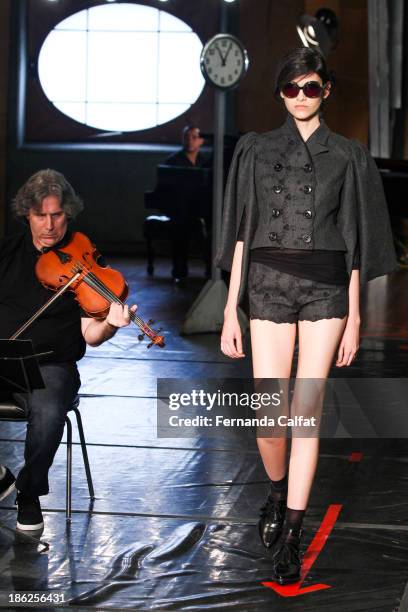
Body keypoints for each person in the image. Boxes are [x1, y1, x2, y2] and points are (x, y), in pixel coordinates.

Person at [215, 47, 398, 584]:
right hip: (267, 284)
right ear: (280, 92)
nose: (301, 96)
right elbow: (243, 231)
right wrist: (232, 308)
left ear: (326, 91)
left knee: (307, 414)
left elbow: (357, 239)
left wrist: (358, 316)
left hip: (326, 290)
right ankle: (276, 492)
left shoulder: (348, 155)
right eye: (292, 88)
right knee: (272, 420)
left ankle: (293, 532)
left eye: (311, 87)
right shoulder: (254, 149)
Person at [0, 169, 137, 531]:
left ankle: (28, 494)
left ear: (68, 214)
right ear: (26, 215)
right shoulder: (7, 253)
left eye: (57, 215)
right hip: (3, 359)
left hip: (51, 366)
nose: (49, 226)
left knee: (48, 412)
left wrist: (110, 322)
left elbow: (91, 335)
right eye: (40, 216)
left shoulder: (82, 262)